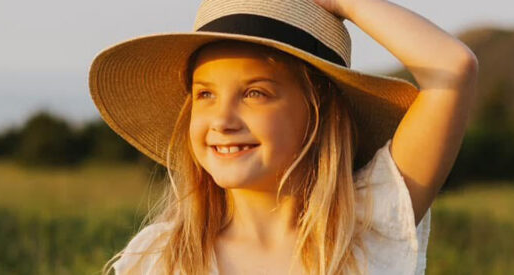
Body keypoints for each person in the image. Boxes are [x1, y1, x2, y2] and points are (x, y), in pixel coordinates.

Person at [88, 0, 477, 274]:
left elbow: (453, 67)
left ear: (318, 111)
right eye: (205, 94)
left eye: (255, 93)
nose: (222, 119)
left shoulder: (370, 223)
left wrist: (348, 4)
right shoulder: (161, 258)